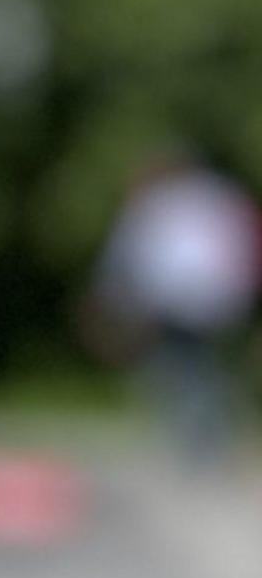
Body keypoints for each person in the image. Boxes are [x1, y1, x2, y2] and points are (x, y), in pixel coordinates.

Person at [92, 151, 258, 467]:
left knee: (181, 370)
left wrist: (116, 295)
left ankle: (197, 440)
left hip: (176, 300)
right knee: (205, 369)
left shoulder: (161, 200)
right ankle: (209, 436)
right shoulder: (223, 197)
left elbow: (134, 252)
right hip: (221, 300)